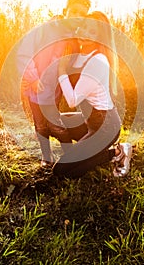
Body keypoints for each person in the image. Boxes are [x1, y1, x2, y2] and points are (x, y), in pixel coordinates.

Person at [52, 11, 132, 178]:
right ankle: (83, 152)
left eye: (93, 32)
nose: (86, 34)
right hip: (90, 121)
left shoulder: (97, 61)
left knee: (61, 172)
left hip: (106, 127)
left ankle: (118, 151)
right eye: (85, 28)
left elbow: (73, 99)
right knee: (54, 122)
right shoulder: (82, 55)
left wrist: (61, 71)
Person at [17, 0, 91, 167]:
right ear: (65, 11)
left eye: (82, 14)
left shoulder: (75, 39)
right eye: (74, 11)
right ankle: (47, 157)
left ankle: (72, 157)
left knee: (56, 124)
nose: (77, 16)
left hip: (54, 91)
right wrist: (32, 78)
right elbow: (24, 53)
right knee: (40, 125)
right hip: (35, 88)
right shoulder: (45, 29)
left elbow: (74, 64)